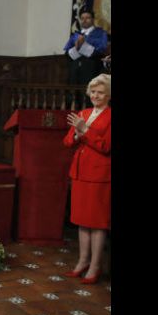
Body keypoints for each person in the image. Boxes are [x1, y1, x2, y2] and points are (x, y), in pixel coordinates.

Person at [63, 74, 111, 285]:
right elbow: (67, 142)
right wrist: (76, 133)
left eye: (100, 92)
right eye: (93, 91)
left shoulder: (111, 116)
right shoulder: (83, 112)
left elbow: (106, 147)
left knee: (97, 223)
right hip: (80, 173)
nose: (95, 95)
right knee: (82, 221)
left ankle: (95, 266)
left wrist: (84, 130)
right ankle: (82, 261)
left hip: (100, 175)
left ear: (108, 95)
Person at [64, 9, 109, 86]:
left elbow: (101, 51)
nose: (84, 20)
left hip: (92, 68)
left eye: (87, 18)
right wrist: (77, 48)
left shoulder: (101, 33)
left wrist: (83, 46)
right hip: (75, 69)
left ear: (93, 19)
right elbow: (67, 54)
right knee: (74, 93)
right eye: (82, 18)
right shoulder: (75, 35)